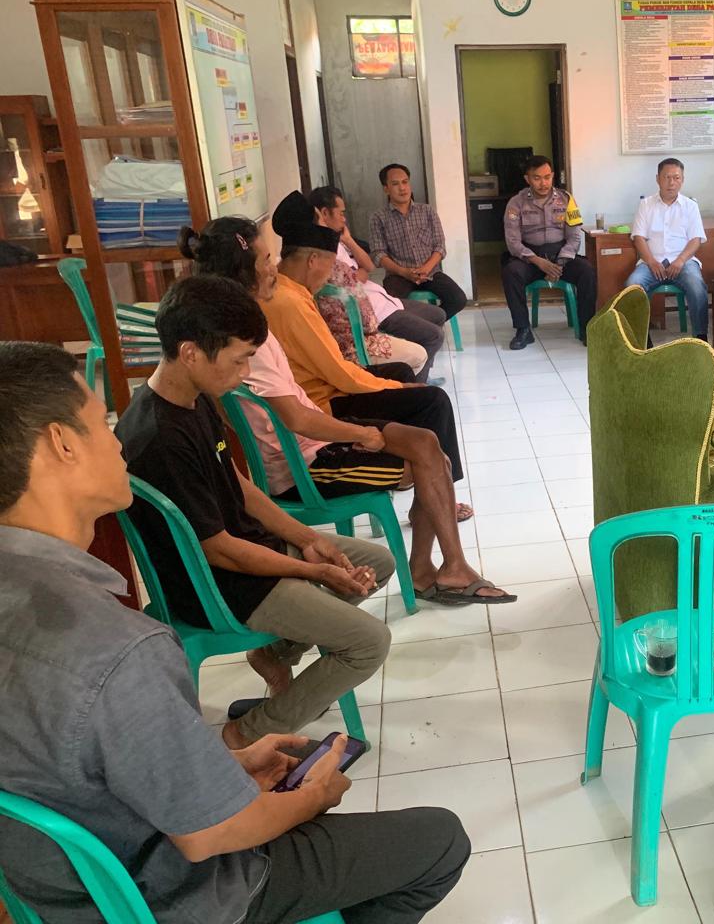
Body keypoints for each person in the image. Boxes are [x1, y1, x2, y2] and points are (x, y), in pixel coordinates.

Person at [0, 340, 470, 923]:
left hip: (62, 896)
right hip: (180, 897)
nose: (117, 441)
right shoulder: (116, 648)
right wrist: (312, 799)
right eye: (100, 422)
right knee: (441, 841)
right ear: (61, 443)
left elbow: (89, 769)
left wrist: (229, 768)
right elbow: (211, 835)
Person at [115, 275, 395, 756]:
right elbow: (220, 550)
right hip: (218, 586)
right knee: (369, 642)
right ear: (190, 352)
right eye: (239, 359)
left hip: (245, 554)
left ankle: (273, 653)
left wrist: (308, 539)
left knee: (377, 562)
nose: (245, 372)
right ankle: (244, 736)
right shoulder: (160, 438)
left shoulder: (193, 397)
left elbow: (238, 487)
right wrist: (312, 570)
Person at [178, 217, 509, 602]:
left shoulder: (248, 324)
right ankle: (436, 570)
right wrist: (363, 433)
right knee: (433, 459)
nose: (274, 267)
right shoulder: (249, 339)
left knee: (426, 443)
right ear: (243, 270)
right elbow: (297, 417)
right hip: (305, 465)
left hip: (314, 436)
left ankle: (442, 568)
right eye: (266, 259)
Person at [257, 193, 465, 509]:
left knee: (401, 372)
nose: (330, 275)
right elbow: (338, 372)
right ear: (312, 260)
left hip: (326, 387)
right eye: (329, 266)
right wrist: (396, 388)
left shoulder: (289, 290)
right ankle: (438, 496)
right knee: (432, 400)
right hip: (325, 403)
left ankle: (428, 482)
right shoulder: (290, 303)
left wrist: (395, 383)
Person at [310, 185, 448, 385]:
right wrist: (360, 274)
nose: (344, 219)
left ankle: (422, 373)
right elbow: (355, 277)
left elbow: (368, 266)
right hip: (373, 312)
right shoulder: (323, 251)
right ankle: (419, 386)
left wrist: (348, 239)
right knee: (434, 336)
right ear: (324, 214)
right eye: (341, 213)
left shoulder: (338, 241)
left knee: (438, 315)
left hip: (382, 299)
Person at [501, 155, 597, 349]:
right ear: (527, 179)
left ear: (553, 175)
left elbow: (574, 237)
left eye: (547, 177)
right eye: (537, 178)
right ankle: (523, 330)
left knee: (587, 271)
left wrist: (559, 264)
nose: (543, 183)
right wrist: (538, 261)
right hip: (530, 259)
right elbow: (513, 242)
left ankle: (587, 328)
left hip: (561, 256)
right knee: (511, 272)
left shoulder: (566, 199)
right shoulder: (516, 203)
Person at [624, 157, 711, 341]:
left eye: (676, 178)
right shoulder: (646, 205)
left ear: (682, 180)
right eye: (667, 177)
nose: (671, 182)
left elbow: (696, 239)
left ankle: (700, 338)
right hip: (651, 262)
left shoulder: (690, 206)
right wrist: (651, 262)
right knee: (633, 285)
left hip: (683, 262)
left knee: (697, 285)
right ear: (658, 179)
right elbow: (639, 238)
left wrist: (680, 261)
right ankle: (641, 339)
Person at [367, 162, 466, 317]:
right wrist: (403, 272)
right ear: (386, 189)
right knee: (390, 306)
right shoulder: (378, 218)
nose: (402, 188)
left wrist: (426, 268)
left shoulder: (427, 211)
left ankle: (428, 324)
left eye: (405, 182)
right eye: (395, 184)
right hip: (398, 275)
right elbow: (378, 254)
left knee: (458, 299)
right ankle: (415, 326)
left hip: (430, 272)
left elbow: (440, 246)